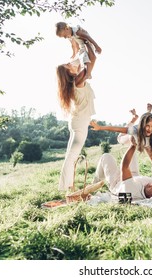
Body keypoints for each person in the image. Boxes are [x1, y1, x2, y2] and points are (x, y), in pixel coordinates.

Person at [90, 110, 152, 176]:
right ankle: (133, 119)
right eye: (147, 126)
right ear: (143, 125)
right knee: (126, 136)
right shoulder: (134, 131)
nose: (150, 129)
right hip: (125, 137)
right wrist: (100, 128)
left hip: (138, 138)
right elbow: (116, 128)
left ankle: (135, 119)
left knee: (140, 142)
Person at [56, 40, 97, 192]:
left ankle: (68, 186)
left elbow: (81, 61)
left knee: (71, 155)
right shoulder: (78, 80)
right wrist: (85, 46)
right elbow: (92, 61)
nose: (71, 64)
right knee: (72, 157)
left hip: (78, 122)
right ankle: (66, 188)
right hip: (79, 124)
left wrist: (80, 44)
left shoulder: (76, 80)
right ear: (69, 73)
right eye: (69, 66)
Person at [92, 135, 152, 200]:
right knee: (132, 154)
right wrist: (147, 147)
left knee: (106, 156)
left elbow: (124, 167)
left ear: (151, 196)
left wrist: (134, 145)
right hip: (133, 175)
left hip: (116, 182)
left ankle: (93, 185)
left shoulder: (133, 191)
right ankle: (126, 137)